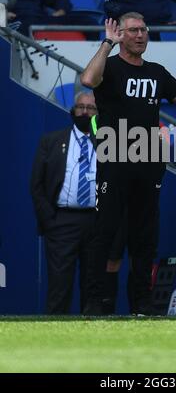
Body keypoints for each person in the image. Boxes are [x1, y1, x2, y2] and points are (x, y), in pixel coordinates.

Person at [80, 12, 176, 315]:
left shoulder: (156, 71)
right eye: (133, 30)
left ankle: (142, 303)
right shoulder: (110, 65)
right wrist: (107, 43)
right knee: (104, 232)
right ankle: (94, 301)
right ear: (120, 34)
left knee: (145, 236)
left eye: (144, 30)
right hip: (116, 152)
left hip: (148, 155)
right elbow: (88, 80)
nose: (140, 35)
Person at [31, 92, 98, 314]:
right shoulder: (51, 141)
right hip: (62, 222)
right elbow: (37, 185)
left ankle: (95, 342)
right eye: (81, 107)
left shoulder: (107, 145)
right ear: (72, 111)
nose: (85, 112)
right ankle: (54, 340)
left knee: (93, 288)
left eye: (91, 108)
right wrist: (50, 221)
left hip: (96, 222)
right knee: (60, 287)